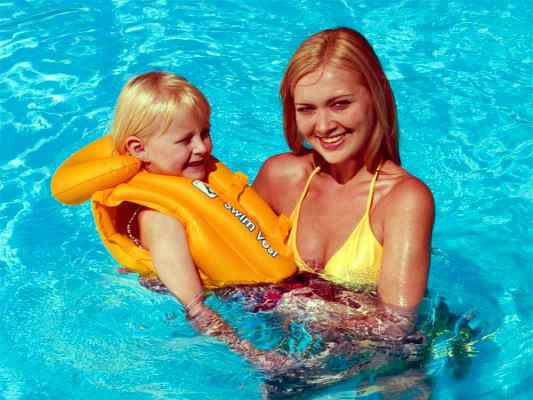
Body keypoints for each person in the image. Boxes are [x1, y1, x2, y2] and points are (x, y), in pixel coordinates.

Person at [102, 71, 291, 370]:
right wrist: (256, 357)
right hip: (251, 301)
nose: (202, 147)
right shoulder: (159, 219)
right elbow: (195, 307)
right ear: (139, 149)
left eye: (205, 132)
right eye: (185, 140)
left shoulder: (203, 184)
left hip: (270, 290)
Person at [253, 27, 435, 337]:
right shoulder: (280, 178)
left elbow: (395, 328)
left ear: (376, 95)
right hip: (283, 354)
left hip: (373, 366)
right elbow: (231, 258)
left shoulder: (403, 201)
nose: (323, 126)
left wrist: (302, 308)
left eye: (340, 104)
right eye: (307, 109)